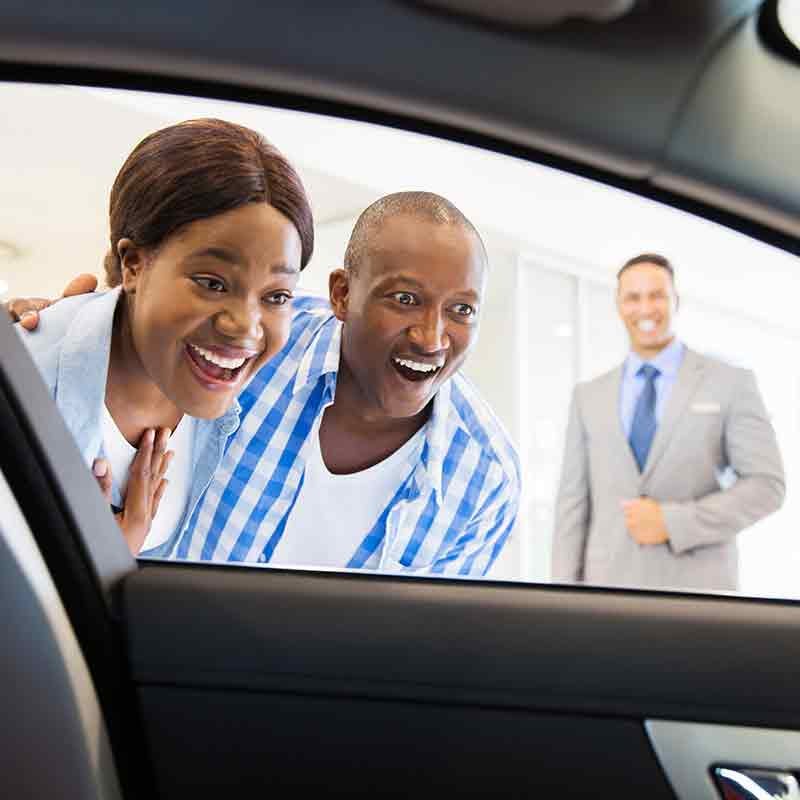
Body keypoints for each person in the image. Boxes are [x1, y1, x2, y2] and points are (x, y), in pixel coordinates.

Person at [11, 191, 520, 575]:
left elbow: (425, 659)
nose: (431, 337)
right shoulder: (252, 346)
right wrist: (60, 323)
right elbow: (141, 333)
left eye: (462, 310)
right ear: (342, 294)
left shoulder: (485, 479)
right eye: (404, 299)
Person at [13, 118, 313, 555]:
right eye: (212, 283)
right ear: (134, 264)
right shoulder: (25, 384)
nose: (245, 327)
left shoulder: (248, 394)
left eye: (277, 295)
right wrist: (89, 567)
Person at [552, 253, 785, 591]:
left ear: (677, 301)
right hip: (607, 591)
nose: (645, 308)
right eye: (633, 297)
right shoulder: (588, 396)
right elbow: (572, 505)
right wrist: (561, 595)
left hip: (699, 591)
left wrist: (674, 521)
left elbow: (767, 486)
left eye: (656, 295)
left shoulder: (730, 382)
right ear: (619, 306)